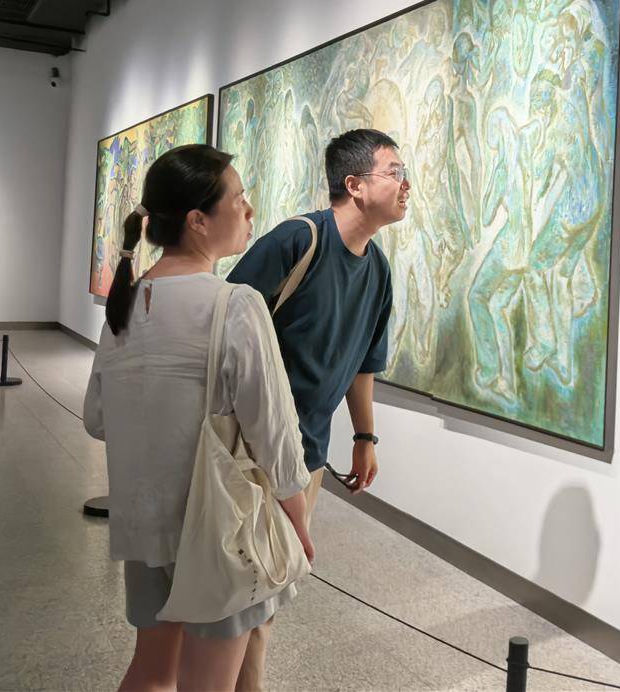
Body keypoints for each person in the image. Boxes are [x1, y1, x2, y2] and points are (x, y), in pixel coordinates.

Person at [83, 144, 314, 692]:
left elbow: (97, 418)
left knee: (152, 672)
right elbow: (275, 435)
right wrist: (298, 519)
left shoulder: (125, 305)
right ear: (197, 220)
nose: (249, 210)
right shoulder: (235, 304)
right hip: (217, 528)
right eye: (239, 199)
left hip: (143, 522)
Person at [226, 128, 406, 689]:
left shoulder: (377, 270)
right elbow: (225, 325)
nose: (406, 185)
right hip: (248, 448)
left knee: (269, 588)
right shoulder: (297, 241)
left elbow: (363, 363)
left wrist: (365, 437)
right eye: (395, 173)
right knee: (243, 590)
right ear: (354, 185)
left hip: (307, 453)